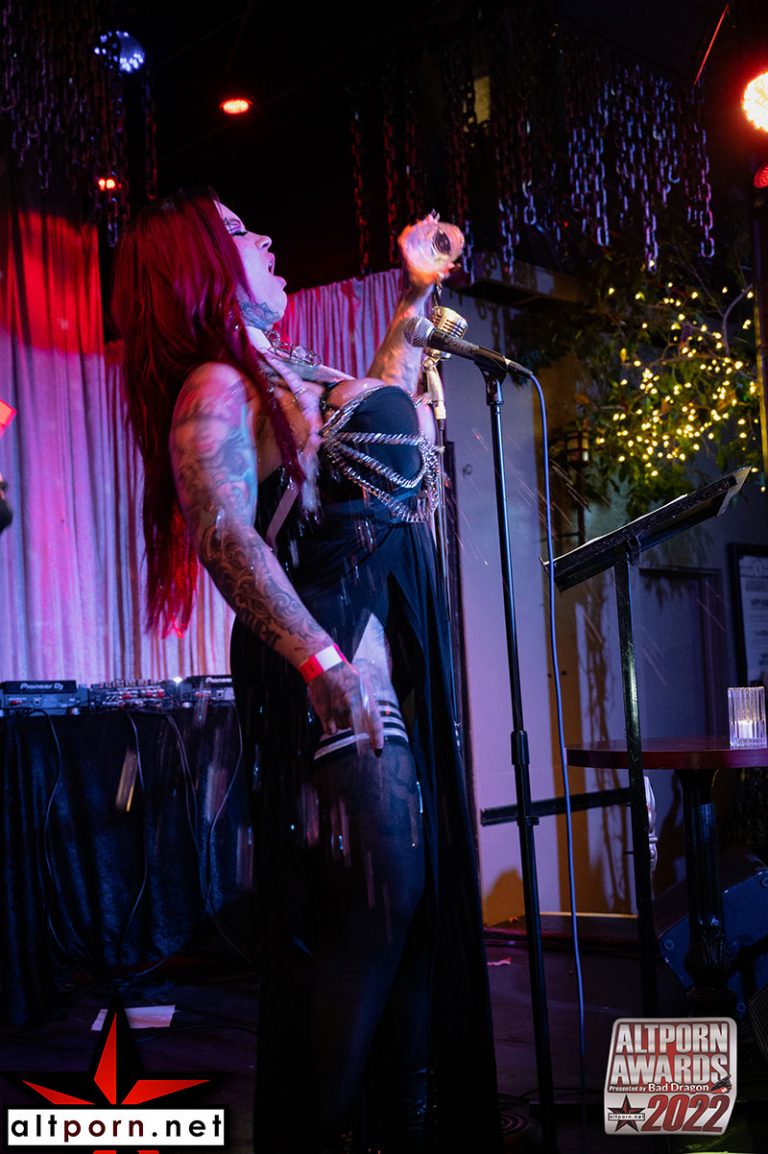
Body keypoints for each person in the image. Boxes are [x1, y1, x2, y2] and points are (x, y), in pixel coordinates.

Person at [111, 188, 502, 1154]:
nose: (267, 234)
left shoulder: (287, 367)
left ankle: (405, 1136)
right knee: (378, 906)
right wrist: (320, 659)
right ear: (201, 266)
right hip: (336, 654)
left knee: (407, 917)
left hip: (385, 647)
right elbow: (225, 535)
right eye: (241, 230)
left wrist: (413, 295)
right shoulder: (215, 386)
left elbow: (379, 432)